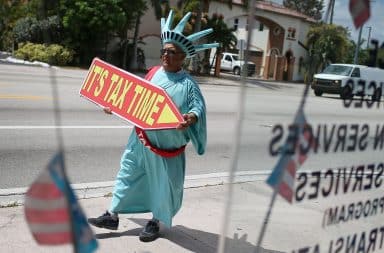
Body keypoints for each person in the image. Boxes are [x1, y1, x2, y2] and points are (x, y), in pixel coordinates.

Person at [87, 10, 219, 242]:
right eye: (164, 51)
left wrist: (191, 118)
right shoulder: (153, 73)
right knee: (127, 174)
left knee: (163, 186)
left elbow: (197, 108)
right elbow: (134, 98)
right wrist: (114, 104)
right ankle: (112, 215)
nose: (165, 55)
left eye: (171, 52)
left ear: (182, 57)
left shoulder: (189, 84)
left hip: (167, 150)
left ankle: (156, 222)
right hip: (140, 141)